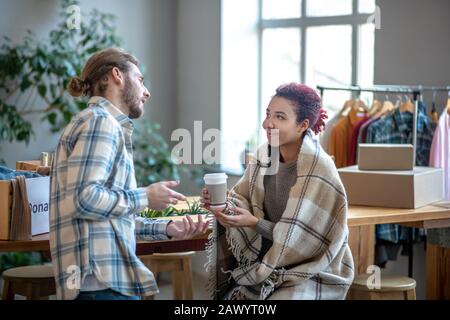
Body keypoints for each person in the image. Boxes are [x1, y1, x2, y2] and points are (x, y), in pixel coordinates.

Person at [50, 47, 209, 300]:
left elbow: (109, 220)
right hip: (100, 285)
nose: (147, 92)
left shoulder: (94, 122)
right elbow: (84, 199)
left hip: (101, 282)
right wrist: (145, 197)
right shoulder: (100, 122)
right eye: (140, 79)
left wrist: (168, 227)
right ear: (116, 75)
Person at [201, 83, 354, 300]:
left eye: (280, 117)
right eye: (268, 114)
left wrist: (255, 223)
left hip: (313, 269)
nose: (267, 123)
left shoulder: (320, 170)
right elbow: (241, 198)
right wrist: (222, 205)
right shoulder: (264, 156)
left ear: (302, 125)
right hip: (268, 262)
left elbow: (305, 242)